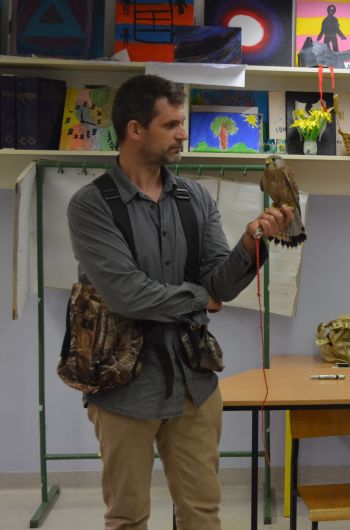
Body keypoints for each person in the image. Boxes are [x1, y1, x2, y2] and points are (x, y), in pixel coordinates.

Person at [67, 74, 293, 530]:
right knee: (128, 517)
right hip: (121, 387)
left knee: (202, 513)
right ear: (135, 129)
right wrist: (199, 298)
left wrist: (252, 241)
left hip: (194, 383)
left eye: (181, 123)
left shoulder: (195, 198)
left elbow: (220, 285)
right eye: (170, 125)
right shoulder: (91, 206)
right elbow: (128, 294)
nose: (183, 134)